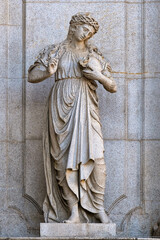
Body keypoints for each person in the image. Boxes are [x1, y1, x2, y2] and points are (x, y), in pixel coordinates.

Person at [28, 13, 117, 224]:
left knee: (96, 159)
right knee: (62, 160)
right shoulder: (55, 51)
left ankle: (98, 208)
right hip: (60, 109)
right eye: (84, 29)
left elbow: (112, 86)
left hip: (86, 107)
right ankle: (74, 212)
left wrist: (99, 77)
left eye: (90, 33)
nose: (86, 34)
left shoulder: (94, 55)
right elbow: (32, 76)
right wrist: (48, 72)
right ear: (74, 27)